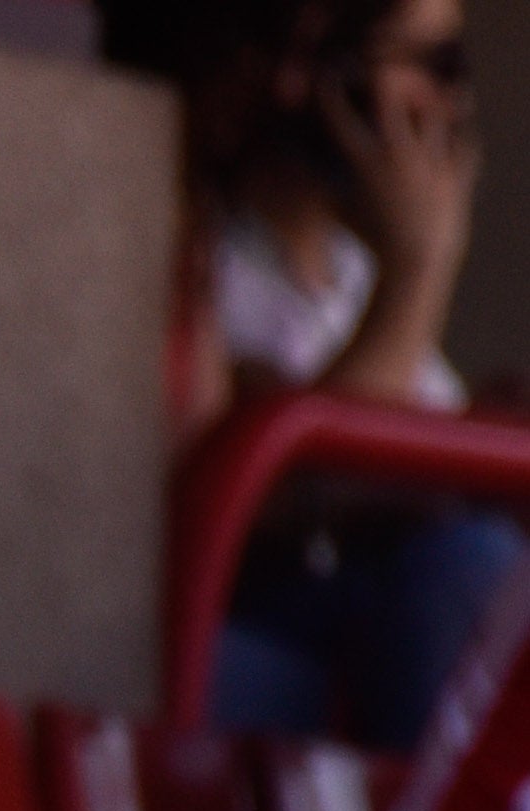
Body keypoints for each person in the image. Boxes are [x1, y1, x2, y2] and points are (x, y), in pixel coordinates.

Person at [114, 0, 508, 748]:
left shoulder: (356, 277)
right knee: (468, 565)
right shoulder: (198, 252)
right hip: (241, 638)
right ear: (310, 68)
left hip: (366, 642)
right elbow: (271, 493)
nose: (449, 101)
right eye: (431, 65)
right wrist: (421, 269)